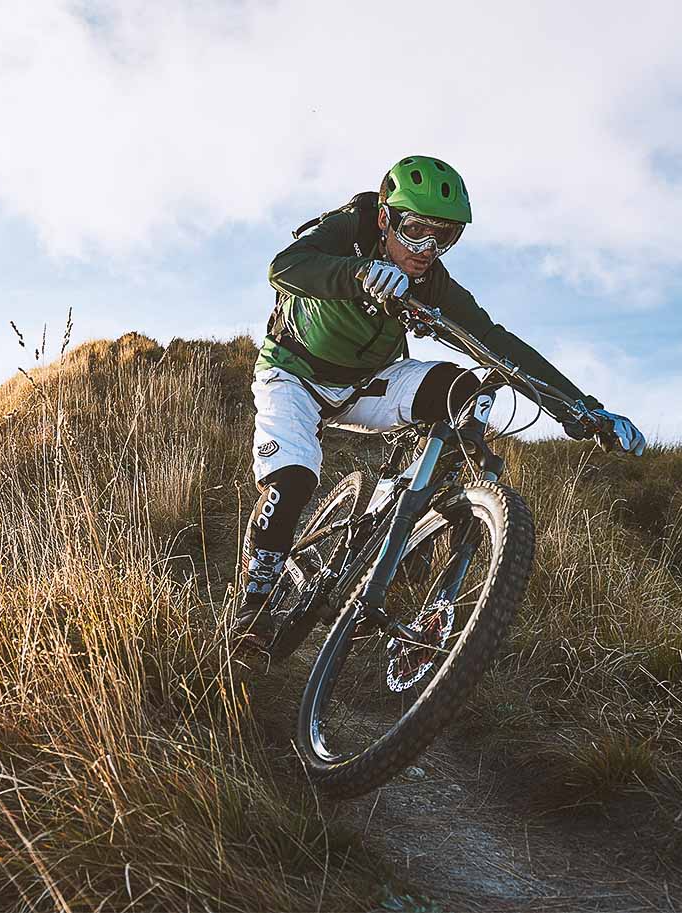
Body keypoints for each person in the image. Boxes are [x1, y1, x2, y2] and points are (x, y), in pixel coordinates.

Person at [234, 155, 645, 648]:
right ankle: (252, 609)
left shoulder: (432, 281)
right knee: (294, 480)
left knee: (464, 391)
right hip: (293, 374)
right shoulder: (350, 228)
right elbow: (285, 267)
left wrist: (582, 410)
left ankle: (393, 531)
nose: (427, 249)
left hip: (370, 383)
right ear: (386, 218)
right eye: (415, 230)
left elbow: (497, 342)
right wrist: (360, 273)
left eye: (444, 237)